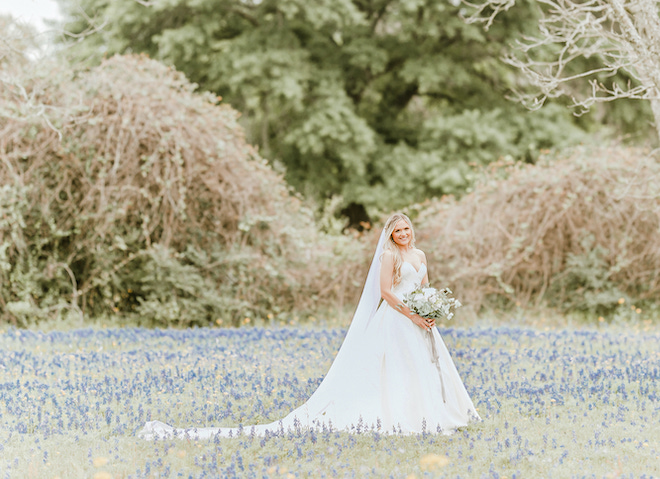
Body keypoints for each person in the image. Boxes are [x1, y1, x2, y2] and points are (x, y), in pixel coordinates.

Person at [140, 213, 480, 439]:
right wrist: (412, 314)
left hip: (421, 320)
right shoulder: (389, 256)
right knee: (398, 368)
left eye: (407, 229)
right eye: (398, 230)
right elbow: (386, 293)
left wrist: (430, 309)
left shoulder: (419, 255)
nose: (404, 234)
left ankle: (434, 412)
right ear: (390, 234)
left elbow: (426, 287)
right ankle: (403, 416)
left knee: (425, 367)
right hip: (398, 319)